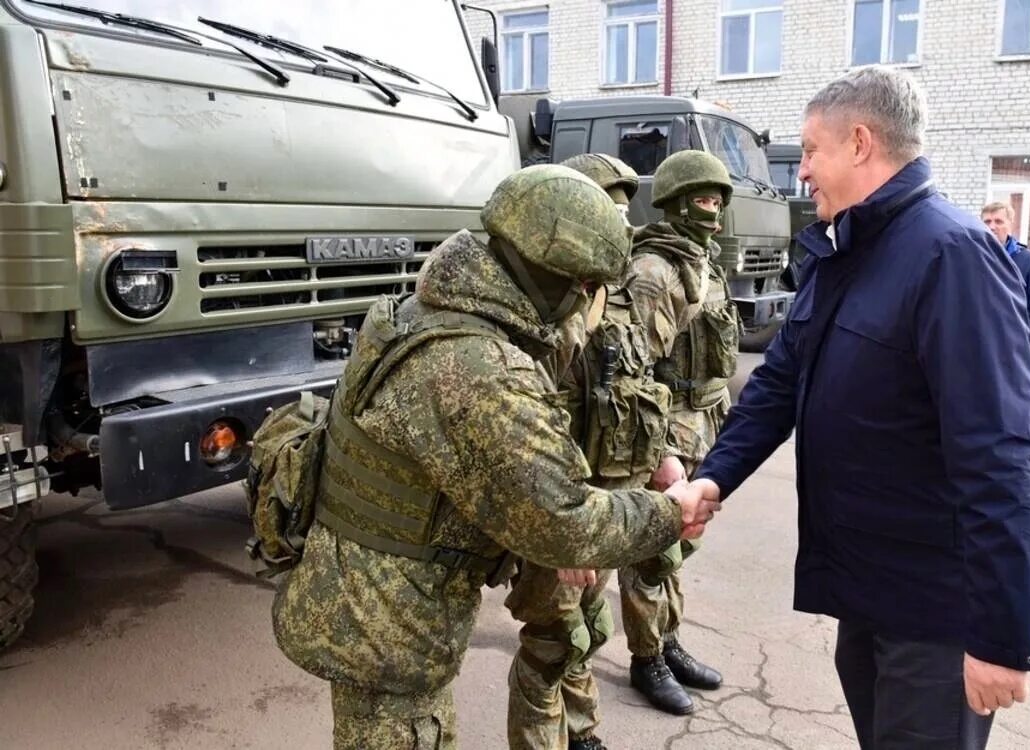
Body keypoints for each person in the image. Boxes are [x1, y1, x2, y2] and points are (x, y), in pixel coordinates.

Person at [270, 165, 719, 750]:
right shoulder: (475, 366)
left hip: (370, 603)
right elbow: (563, 522)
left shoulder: (435, 310)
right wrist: (670, 511)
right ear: (540, 272)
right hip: (386, 628)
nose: (585, 303)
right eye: (582, 287)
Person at [685, 66, 1030, 749]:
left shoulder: (951, 254)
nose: (803, 173)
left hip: (934, 618)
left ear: (859, 143)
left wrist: (1002, 635)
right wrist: (713, 476)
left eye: (811, 151)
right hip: (871, 598)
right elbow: (780, 377)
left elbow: (1004, 451)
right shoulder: (848, 248)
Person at [504, 153, 674, 750]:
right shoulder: (540, 317)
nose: (622, 228)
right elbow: (530, 437)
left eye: (626, 214)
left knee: (588, 629)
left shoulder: (620, 303)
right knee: (554, 640)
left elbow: (650, 383)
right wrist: (564, 537)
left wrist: (664, 454)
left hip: (606, 499)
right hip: (561, 506)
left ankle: (582, 735)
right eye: (608, 213)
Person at [617, 149, 741, 717]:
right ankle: (647, 659)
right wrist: (661, 450)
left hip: (704, 423)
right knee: (652, 554)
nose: (712, 208)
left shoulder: (702, 263)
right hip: (666, 429)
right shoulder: (655, 270)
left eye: (719, 198)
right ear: (673, 202)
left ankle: (668, 641)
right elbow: (630, 371)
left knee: (681, 547)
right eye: (702, 197)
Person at [981, 201, 1030, 346]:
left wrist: (1028, 340)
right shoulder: (973, 255)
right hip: (981, 339)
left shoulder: (1027, 259)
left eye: (998, 221)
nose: (992, 227)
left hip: (1014, 341)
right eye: (987, 222)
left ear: (1010, 225)